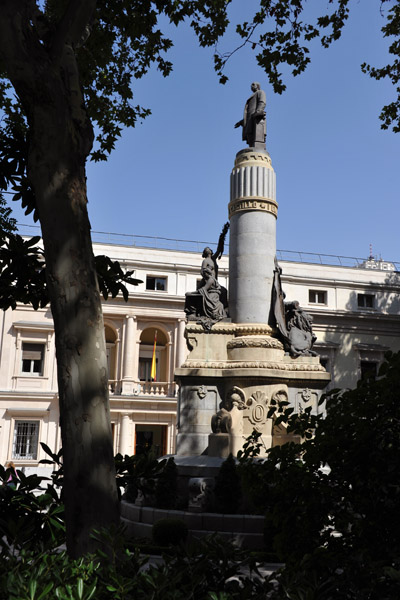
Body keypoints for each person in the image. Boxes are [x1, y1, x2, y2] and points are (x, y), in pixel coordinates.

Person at [235, 82, 267, 149]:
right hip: (249, 118)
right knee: (249, 133)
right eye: (251, 86)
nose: (251, 87)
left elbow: (262, 102)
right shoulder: (252, 96)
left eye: (253, 85)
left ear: (257, 86)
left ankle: (257, 148)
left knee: (256, 133)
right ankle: (251, 147)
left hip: (255, 116)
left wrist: (258, 111)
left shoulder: (260, 92)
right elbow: (247, 112)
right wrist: (241, 122)